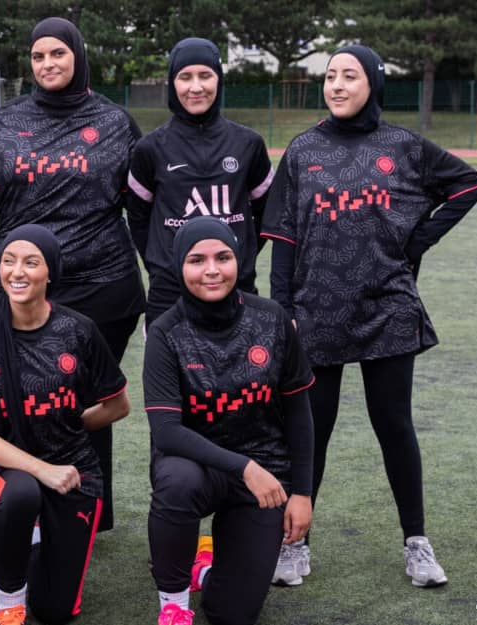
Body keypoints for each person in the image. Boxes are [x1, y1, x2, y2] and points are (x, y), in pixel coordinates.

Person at [261, 44, 477, 589]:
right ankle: (294, 546)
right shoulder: (303, 149)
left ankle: (417, 543)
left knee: (394, 426)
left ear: (373, 84)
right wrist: (282, 309)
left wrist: (416, 242)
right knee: (312, 432)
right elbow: (285, 236)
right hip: (316, 312)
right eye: (330, 76)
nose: (337, 85)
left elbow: (469, 184)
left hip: (387, 308)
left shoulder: (403, 146)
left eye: (349, 76)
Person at [0, 15, 144, 573]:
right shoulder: (7, 121)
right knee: (5, 402)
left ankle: (81, 514)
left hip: (102, 283)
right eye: (38, 56)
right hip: (15, 277)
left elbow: (146, 203)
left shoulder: (114, 122)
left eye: (58, 53)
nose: (48, 64)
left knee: (80, 401)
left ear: (78, 55)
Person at [0, 225, 130, 625]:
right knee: (21, 493)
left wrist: (74, 423)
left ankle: (34, 543)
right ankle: (8, 598)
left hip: (73, 470)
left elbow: (118, 405)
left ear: (50, 273)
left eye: (31, 262)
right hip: (9, 470)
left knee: (55, 612)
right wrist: (41, 470)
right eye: (8, 261)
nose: (17, 271)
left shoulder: (79, 330)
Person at [144, 217, 316, 625]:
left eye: (222, 257)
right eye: (196, 260)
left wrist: (303, 493)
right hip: (195, 467)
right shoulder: (166, 332)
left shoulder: (272, 319)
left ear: (238, 259)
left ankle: (204, 567)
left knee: (233, 615)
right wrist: (245, 467)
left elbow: (298, 410)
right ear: (178, 267)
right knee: (178, 482)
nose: (211, 270)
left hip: (265, 474)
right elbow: (167, 433)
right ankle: (174, 602)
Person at [127, 37, 273, 325]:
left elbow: (267, 213)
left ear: (218, 80)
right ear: (172, 83)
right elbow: (138, 218)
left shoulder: (249, 143)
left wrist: (238, 252)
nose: (196, 87)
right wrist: (164, 263)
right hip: (169, 293)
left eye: (205, 75)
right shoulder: (150, 148)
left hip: (236, 287)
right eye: (185, 77)